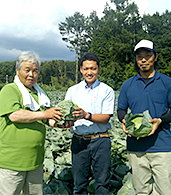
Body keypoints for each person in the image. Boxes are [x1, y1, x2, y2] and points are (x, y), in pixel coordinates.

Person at [0, 51, 66, 195]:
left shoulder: (39, 94)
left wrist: (61, 123)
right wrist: (45, 114)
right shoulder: (10, 90)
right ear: (17, 70)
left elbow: (46, 119)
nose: (31, 75)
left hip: (35, 161)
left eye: (35, 71)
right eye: (27, 70)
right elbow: (15, 115)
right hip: (12, 163)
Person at [117, 40, 171, 194]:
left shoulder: (167, 82)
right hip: (136, 147)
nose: (144, 60)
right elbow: (121, 109)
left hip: (162, 147)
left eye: (148, 55)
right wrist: (124, 120)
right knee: (141, 191)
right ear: (136, 59)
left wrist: (160, 120)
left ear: (155, 57)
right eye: (140, 56)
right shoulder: (127, 85)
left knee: (166, 191)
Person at [64, 52, 115, 195]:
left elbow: (106, 117)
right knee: (79, 184)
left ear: (98, 69)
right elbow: (66, 115)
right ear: (81, 70)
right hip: (79, 141)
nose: (89, 72)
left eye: (93, 68)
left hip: (101, 140)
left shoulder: (107, 90)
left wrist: (86, 115)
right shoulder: (72, 91)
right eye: (86, 69)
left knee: (102, 184)